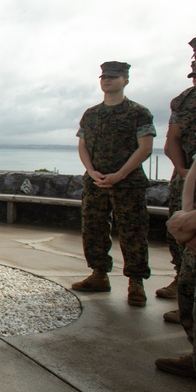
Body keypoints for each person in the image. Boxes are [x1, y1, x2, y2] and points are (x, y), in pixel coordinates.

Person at [71, 61, 155, 306]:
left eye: (113, 76)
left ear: (125, 80)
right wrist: (92, 172)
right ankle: (99, 274)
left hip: (128, 184)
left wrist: (120, 174)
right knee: (93, 229)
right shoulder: (91, 114)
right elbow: (83, 146)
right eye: (104, 76)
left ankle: (136, 282)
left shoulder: (138, 112)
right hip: (96, 182)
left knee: (133, 232)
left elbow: (145, 148)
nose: (106, 80)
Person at [156, 47, 196, 379]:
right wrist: (191, 220)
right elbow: (193, 158)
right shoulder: (190, 101)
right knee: (192, 293)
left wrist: (193, 220)